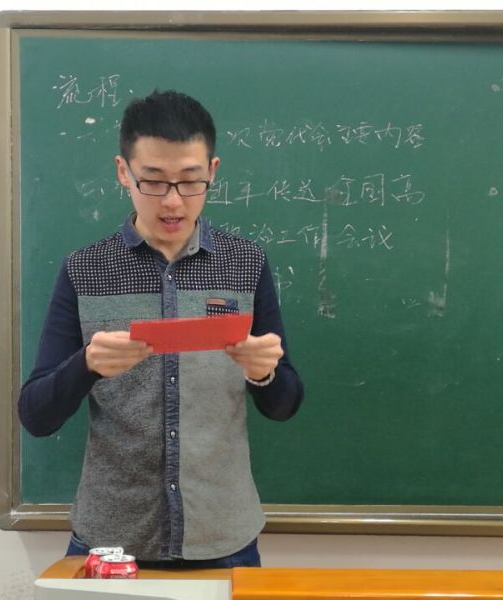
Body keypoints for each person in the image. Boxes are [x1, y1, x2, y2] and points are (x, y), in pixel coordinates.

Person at [18, 89, 304, 568]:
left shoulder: (246, 264)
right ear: (123, 172)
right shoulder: (84, 270)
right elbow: (36, 416)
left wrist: (264, 373)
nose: (173, 201)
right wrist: (86, 365)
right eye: (152, 181)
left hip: (223, 537)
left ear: (212, 171)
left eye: (190, 181)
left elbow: (285, 405)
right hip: (112, 540)